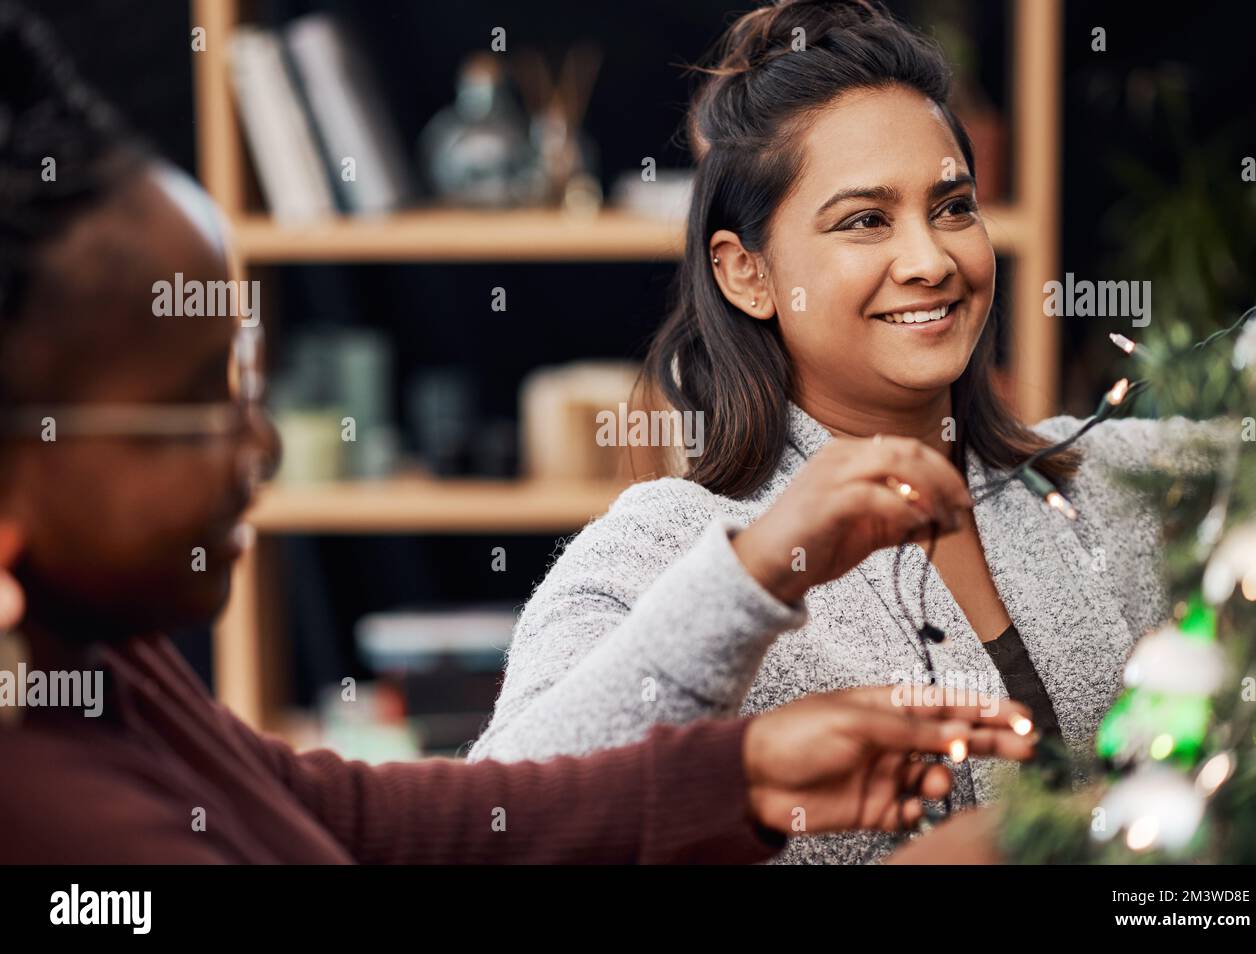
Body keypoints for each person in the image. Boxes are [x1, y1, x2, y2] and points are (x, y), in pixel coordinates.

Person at [0, 2, 1036, 865]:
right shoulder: (59, 823)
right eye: (195, 408)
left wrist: (742, 778)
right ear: (741, 270)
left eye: (952, 207)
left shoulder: (100, 665)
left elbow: (361, 821)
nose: (261, 447)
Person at [468, 0, 1216, 863]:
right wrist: (745, 585)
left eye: (954, 207)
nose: (932, 259)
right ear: (746, 273)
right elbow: (505, 822)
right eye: (865, 219)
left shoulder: (1108, 479)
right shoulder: (664, 548)